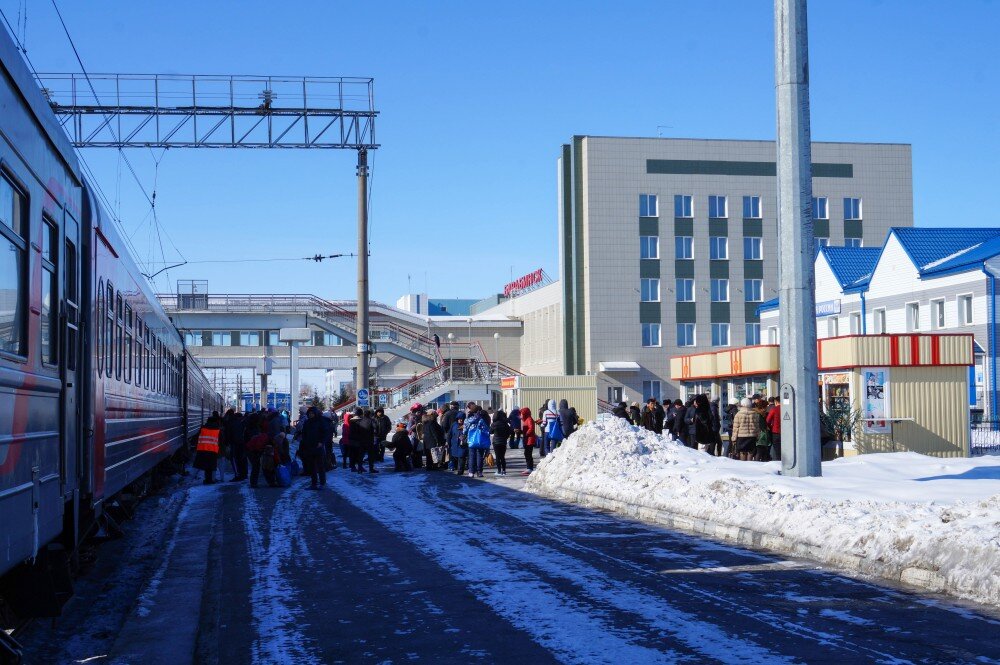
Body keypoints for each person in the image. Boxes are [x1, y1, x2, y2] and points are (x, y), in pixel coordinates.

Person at [298, 406, 328, 489]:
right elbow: (304, 433)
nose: (311, 415)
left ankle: (322, 483)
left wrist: (321, 442)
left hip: (318, 446)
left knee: (320, 466)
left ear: (315, 413)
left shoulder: (320, 421)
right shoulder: (307, 422)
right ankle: (314, 483)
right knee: (312, 466)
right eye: (309, 413)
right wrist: (304, 442)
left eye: (312, 413)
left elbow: (325, 433)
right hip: (309, 446)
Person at [193, 413, 223, 484]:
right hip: (213, 449)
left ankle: (207, 479)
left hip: (202, 449)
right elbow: (221, 440)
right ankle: (210, 480)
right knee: (211, 466)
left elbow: (196, 438)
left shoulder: (202, 428)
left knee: (206, 466)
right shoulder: (218, 429)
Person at [466, 403, 491, 478]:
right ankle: (479, 471)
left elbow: (465, 427)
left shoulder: (469, 419)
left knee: (471, 456)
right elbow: (486, 429)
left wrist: (464, 434)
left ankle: (471, 472)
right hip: (480, 440)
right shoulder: (481, 419)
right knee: (480, 456)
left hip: (471, 440)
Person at [227, 411, 247, 481]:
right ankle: (244, 474)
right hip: (242, 443)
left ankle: (238, 475)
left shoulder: (232, 423)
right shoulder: (242, 423)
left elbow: (229, 435)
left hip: (235, 443)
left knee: (234, 459)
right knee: (242, 459)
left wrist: (228, 443)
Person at [491, 409, 511, 476]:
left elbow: (490, 431)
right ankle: (504, 470)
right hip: (503, 442)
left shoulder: (494, 424)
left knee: (497, 456)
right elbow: (509, 433)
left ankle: (499, 471)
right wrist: (505, 437)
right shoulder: (505, 424)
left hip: (496, 442)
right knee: (502, 456)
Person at [520, 407, 537, 475]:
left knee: (528, 453)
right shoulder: (526, 419)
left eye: (522, 414)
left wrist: (526, 433)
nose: (521, 416)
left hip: (529, 439)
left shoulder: (529, 419)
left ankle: (530, 468)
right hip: (527, 439)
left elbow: (531, 428)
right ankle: (529, 467)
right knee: (527, 453)